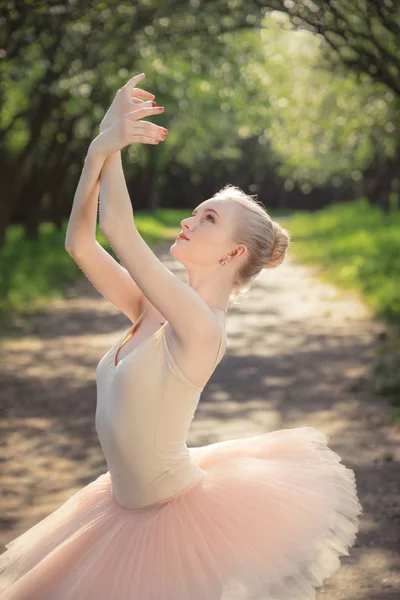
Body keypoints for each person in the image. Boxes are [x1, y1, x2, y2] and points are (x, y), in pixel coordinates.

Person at [0, 73, 362, 600]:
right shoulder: (154, 305)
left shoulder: (201, 326)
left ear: (232, 254)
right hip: (116, 508)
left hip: (165, 521)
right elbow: (80, 242)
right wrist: (102, 148)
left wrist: (108, 144)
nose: (190, 222)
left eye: (208, 218)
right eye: (195, 212)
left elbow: (120, 232)